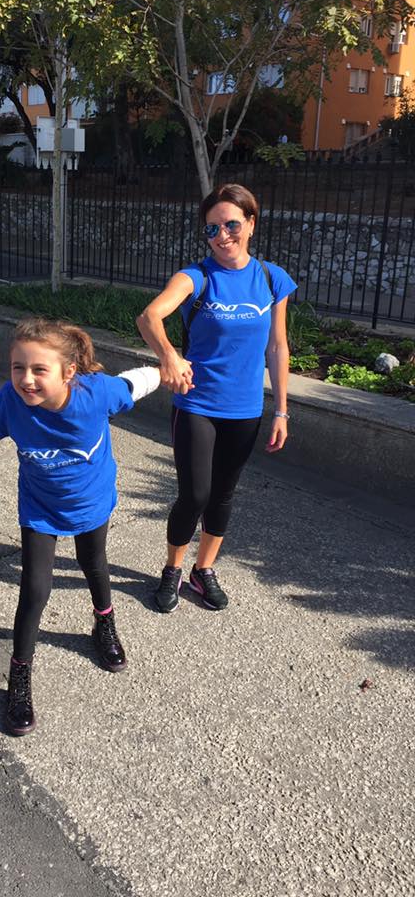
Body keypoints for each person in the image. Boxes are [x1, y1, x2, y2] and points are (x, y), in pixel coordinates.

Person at [0, 318, 160, 736]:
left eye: (39, 370)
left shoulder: (95, 392)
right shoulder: (11, 400)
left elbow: (134, 383)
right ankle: (19, 677)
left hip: (91, 502)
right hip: (40, 508)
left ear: (69, 372)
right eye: (18, 367)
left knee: (94, 564)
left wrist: (169, 367)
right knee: (35, 590)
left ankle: (104, 622)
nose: (26, 379)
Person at [137, 183, 297, 614]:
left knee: (223, 495)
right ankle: (172, 568)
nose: (222, 236)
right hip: (197, 404)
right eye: (212, 228)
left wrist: (282, 410)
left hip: (245, 409)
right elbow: (149, 316)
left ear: (251, 224)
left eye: (231, 225)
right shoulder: (196, 276)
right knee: (195, 495)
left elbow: (277, 347)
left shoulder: (271, 279)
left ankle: (203, 570)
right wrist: (169, 355)